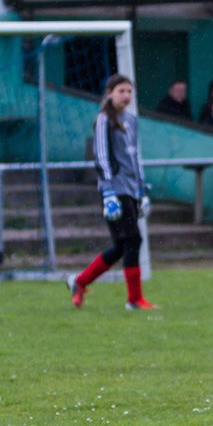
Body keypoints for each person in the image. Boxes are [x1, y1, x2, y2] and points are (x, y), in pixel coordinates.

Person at [66, 74, 155, 310]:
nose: (126, 96)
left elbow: (134, 158)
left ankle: (80, 281)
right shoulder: (104, 119)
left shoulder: (132, 121)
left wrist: (142, 190)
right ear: (110, 93)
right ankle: (134, 300)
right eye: (121, 91)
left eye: (129, 91)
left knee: (121, 246)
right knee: (133, 239)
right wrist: (108, 194)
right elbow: (102, 157)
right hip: (115, 190)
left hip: (131, 190)